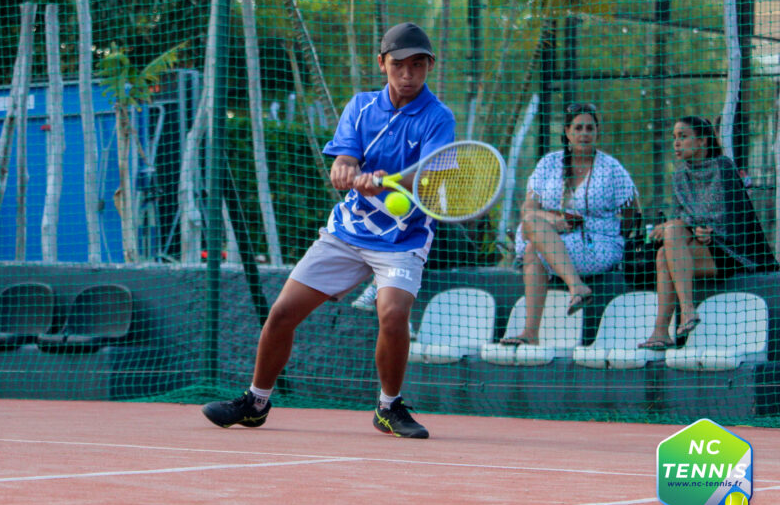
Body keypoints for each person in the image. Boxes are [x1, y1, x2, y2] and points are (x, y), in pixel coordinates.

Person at [201, 22, 455, 438]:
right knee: (282, 312)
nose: (408, 74)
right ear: (382, 64)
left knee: (392, 314)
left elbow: (431, 178)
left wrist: (388, 178)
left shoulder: (438, 117)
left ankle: (389, 407)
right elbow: (345, 159)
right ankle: (255, 402)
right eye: (398, 65)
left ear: (429, 66)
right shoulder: (360, 107)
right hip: (347, 232)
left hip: (403, 239)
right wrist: (345, 168)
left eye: (418, 65)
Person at [499, 102, 637, 346]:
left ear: (597, 132)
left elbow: (632, 213)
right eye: (578, 128)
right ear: (567, 131)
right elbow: (527, 210)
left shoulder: (611, 168)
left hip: (599, 245)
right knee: (532, 238)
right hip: (554, 240)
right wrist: (555, 221)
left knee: (535, 244)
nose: (584, 133)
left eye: (590, 128)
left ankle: (574, 289)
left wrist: (601, 229)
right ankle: (531, 332)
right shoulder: (549, 163)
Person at [639, 115, 777, 349]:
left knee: (670, 238)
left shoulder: (722, 166)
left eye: (683, 136)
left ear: (702, 141)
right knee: (664, 251)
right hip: (698, 244)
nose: (676, 143)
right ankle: (664, 330)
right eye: (674, 138)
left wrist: (701, 229)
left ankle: (682, 314)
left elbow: (729, 215)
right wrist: (689, 228)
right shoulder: (679, 176)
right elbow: (680, 215)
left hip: (730, 250)